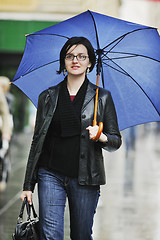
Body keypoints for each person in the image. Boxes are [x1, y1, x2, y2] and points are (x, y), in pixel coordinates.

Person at [20, 37, 122, 240]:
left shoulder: (102, 97)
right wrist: (27, 185)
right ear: (63, 61)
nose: (75, 60)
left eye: (82, 56)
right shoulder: (47, 96)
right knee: (50, 235)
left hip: (86, 178)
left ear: (90, 62)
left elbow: (115, 141)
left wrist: (101, 137)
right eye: (70, 56)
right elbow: (37, 141)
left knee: (81, 235)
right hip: (50, 174)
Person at [0, 76, 13, 191]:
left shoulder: (7, 98)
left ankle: (3, 178)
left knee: (4, 155)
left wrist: (6, 132)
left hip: (3, 130)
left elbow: (6, 114)